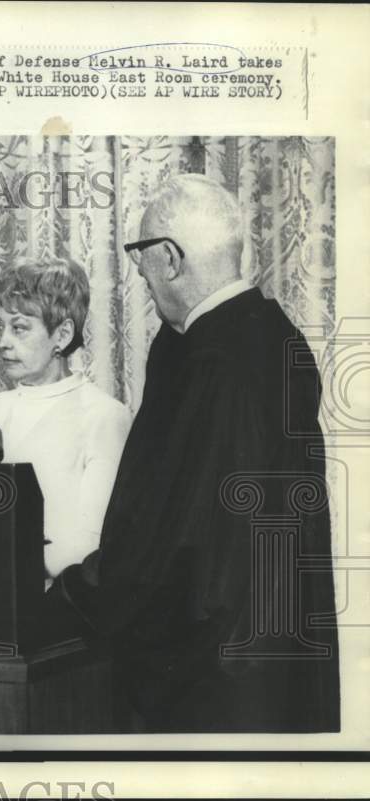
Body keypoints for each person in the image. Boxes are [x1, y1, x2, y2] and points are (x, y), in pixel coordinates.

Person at [56, 174, 340, 732]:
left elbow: (165, 538)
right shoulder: (277, 338)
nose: (138, 271)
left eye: (141, 255)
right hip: (277, 661)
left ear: (170, 257)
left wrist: (66, 594)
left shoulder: (207, 362)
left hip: (211, 681)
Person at [0, 259, 131, 584]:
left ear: (62, 334)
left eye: (19, 328)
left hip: (62, 607)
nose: (3, 341)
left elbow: (90, 544)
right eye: (1, 326)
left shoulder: (104, 416)